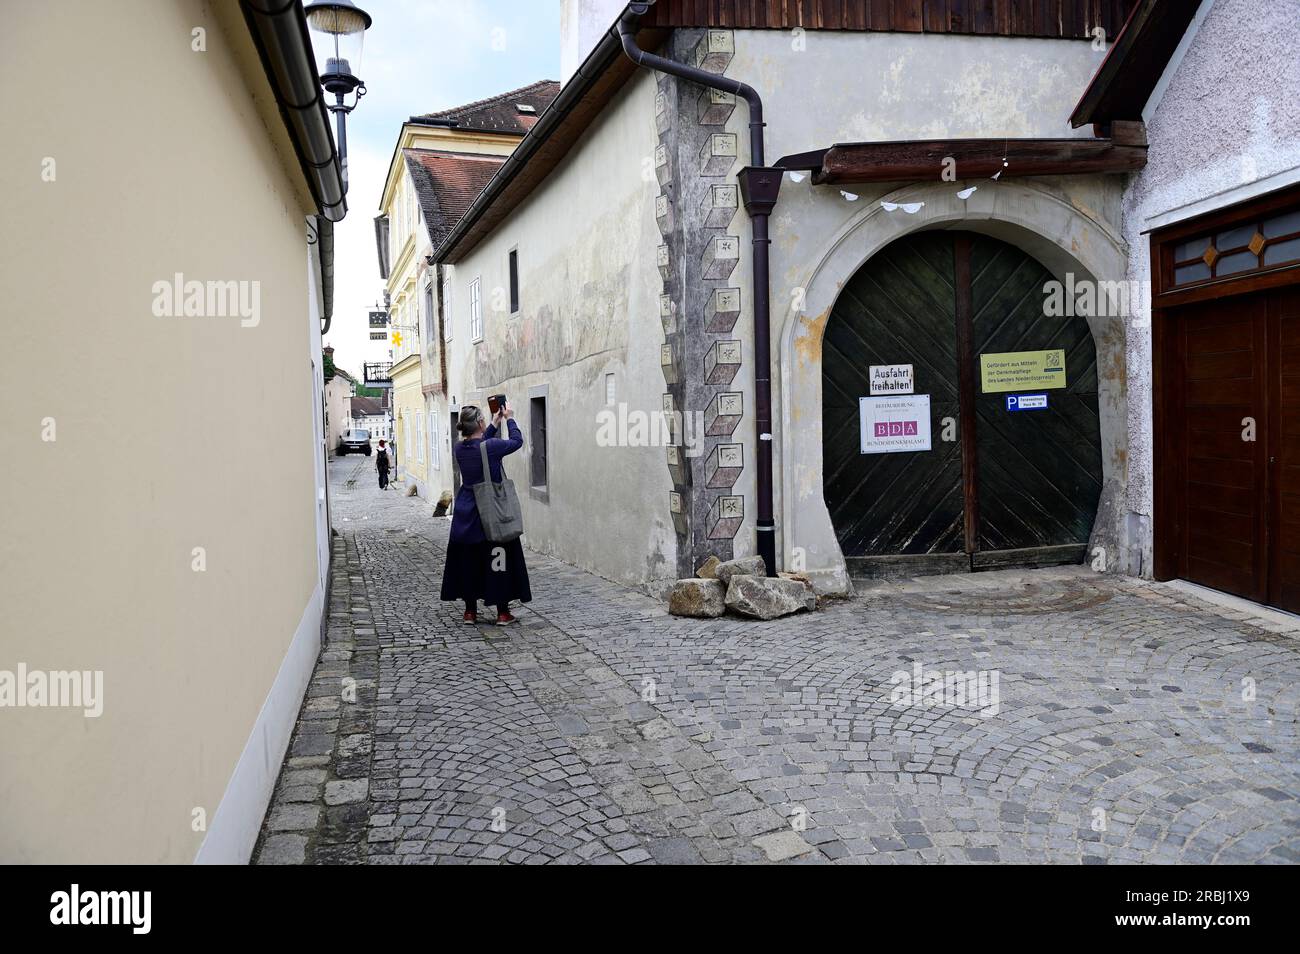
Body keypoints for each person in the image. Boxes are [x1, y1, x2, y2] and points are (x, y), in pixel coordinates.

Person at [440, 402, 531, 625]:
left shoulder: (459, 448)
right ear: (479, 422)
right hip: (490, 513)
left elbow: (480, 445)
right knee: (498, 560)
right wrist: (508, 418)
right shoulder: (491, 446)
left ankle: (470, 612)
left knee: (469, 562)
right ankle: (502, 613)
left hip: (466, 512)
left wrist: (492, 423)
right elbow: (517, 442)